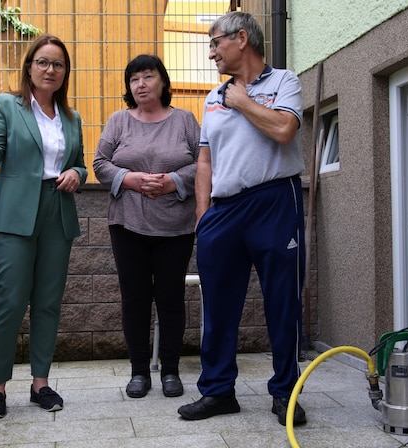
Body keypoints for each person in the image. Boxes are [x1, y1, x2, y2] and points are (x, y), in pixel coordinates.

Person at [176, 11, 308, 427]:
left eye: (216, 42)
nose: (211, 51)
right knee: (218, 305)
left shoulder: (284, 81)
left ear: (242, 39)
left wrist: (244, 101)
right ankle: (217, 391)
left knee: (283, 302)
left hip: (274, 201)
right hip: (223, 211)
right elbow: (204, 160)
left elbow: (285, 129)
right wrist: (203, 216)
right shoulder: (212, 97)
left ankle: (286, 392)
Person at [0, 34, 88, 419]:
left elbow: (80, 163)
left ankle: (40, 383)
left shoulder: (71, 118)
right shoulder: (6, 105)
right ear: (29, 66)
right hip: (16, 213)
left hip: (58, 212)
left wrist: (76, 172)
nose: (50, 70)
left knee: (47, 302)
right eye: (43, 62)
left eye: (58, 64)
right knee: (10, 299)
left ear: (65, 73)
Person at [93, 54, 200, 399]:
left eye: (148, 77)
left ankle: (170, 371)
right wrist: (130, 178)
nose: (141, 84)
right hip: (127, 225)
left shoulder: (185, 120)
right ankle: (139, 372)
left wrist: (173, 181)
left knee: (170, 299)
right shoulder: (119, 121)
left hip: (176, 227)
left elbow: (205, 163)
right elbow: (99, 163)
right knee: (135, 300)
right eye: (134, 79)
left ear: (163, 82)